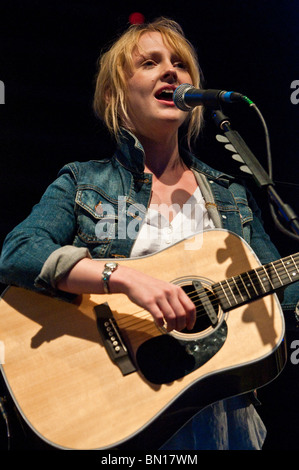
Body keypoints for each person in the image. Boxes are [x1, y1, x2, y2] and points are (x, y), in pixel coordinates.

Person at [0, 17, 298, 450]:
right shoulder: (85, 182)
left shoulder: (230, 194)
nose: (171, 71)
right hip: (115, 410)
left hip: (222, 423)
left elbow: (280, 292)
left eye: (180, 63)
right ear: (114, 94)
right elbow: (18, 252)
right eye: (150, 62)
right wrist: (122, 277)